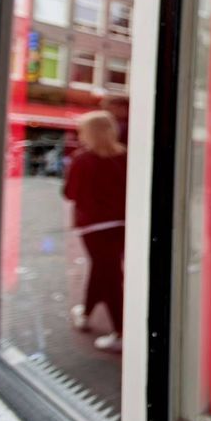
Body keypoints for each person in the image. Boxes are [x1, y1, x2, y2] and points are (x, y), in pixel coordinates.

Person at [63, 111, 127, 352]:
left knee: (109, 274)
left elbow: (69, 192)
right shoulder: (125, 156)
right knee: (103, 268)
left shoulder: (82, 159)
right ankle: (86, 313)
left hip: (93, 225)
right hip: (120, 224)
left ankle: (121, 332)